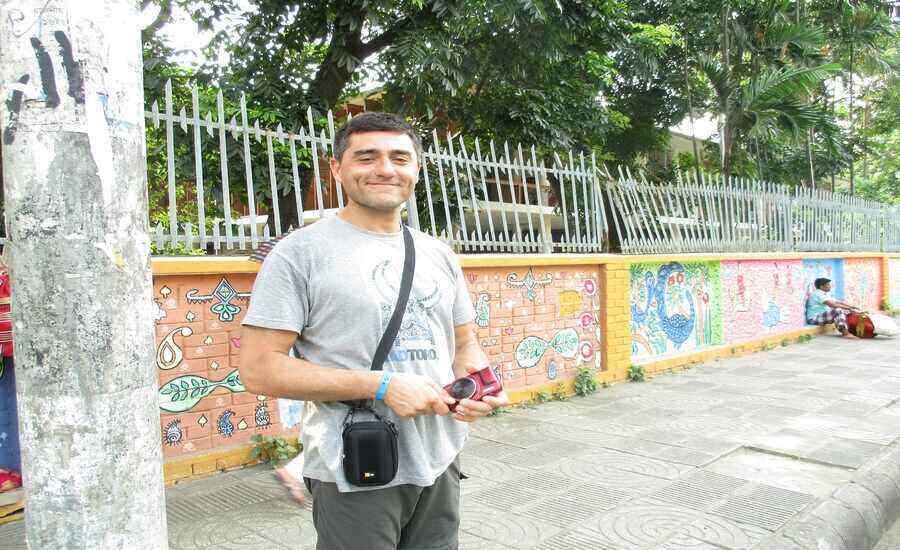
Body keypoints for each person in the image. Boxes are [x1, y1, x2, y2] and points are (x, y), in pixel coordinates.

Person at [240, 112, 508, 550]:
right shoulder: (299, 255)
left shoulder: (438, 254)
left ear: (416, 168)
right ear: (337, 168)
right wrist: (382, 386)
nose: (385, 169)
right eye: (367, 157)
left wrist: (481, 389)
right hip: (354, 469)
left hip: (440, 459)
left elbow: (465, 344)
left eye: (399, 158)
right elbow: (259, 370)